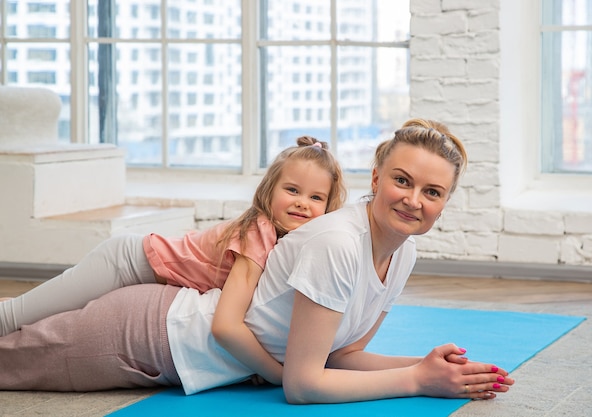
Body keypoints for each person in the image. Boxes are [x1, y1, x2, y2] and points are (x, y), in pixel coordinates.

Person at [0, 119, 515, 402]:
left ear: (445, 202)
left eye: (433, 191)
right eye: (402, 181)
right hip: (152, 333)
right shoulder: (336, 243)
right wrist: (416, 381)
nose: (413, 200)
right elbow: (303, 382)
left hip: (173, 332)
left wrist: (430, 366)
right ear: (376, 179)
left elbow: (337, 356)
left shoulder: (403, 254)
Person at [0, 136, 346, 385]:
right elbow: (226, 325)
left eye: (316, 197)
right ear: (268, 190)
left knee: (37, 314)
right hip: (126, 262)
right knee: (17, 316)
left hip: (148, 271)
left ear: (329, 208)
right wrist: (275, 372)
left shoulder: (291, 240)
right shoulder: (259, 233)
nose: (303, 203)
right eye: (292, 190)